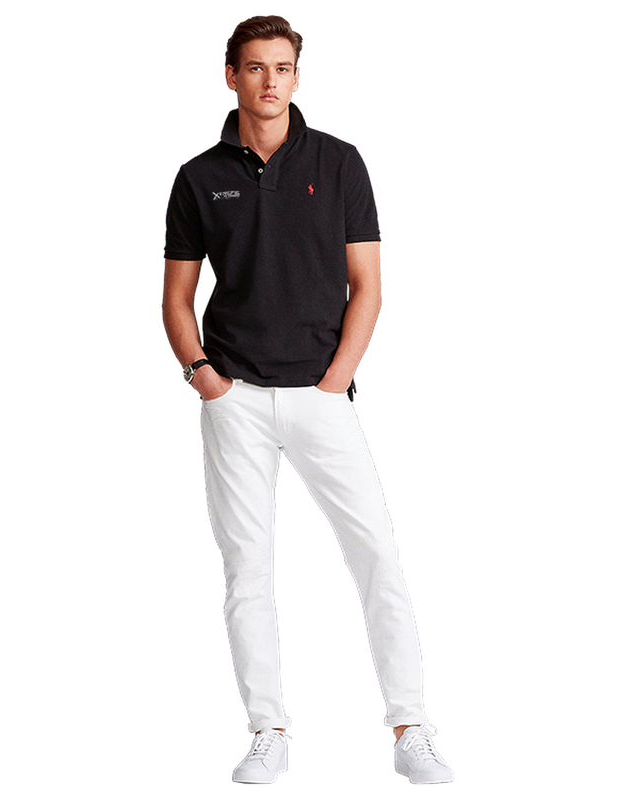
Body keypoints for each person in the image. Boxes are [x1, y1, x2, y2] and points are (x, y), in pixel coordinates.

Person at [161, 13, 458, 788]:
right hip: (234, 396)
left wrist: (339, 377)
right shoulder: (198, 176)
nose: (270, 80)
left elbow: (368, 283)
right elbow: (177, 295)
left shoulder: (340, 161)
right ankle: (267, 734)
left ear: (298, 78)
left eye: (283, 67)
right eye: (255, 67)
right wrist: (203, 375)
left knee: (377, 555)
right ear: (231, 77)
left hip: (322, 395)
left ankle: (412, 729)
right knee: (246, 569)